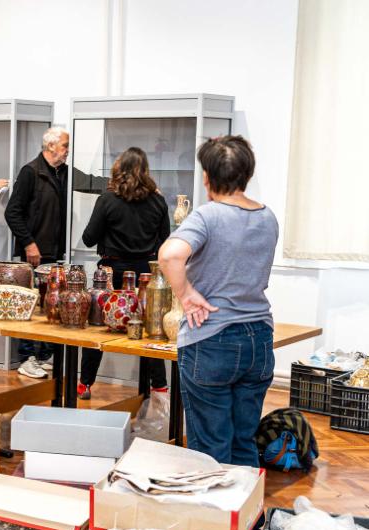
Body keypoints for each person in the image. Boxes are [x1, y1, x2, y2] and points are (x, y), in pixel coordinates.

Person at [158, 135, 278, 468]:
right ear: (247, 174)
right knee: (243, 442)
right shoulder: (267, 216)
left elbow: (169, 255)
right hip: (259, 340)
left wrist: (186, 294)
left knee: (211, 449)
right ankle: (246, 504)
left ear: (207, 177)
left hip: (212, 339)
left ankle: (214, 503)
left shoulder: (207, 216)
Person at [79, 147, 170, 400]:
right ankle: (159, 387)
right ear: (145, 171)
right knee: (151, 328)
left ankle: (85, 384)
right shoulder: (158, 201)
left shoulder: (107, 199)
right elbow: (166, 240)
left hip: (111, 273)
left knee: (97, 327)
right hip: (145, 274)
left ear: (118, 169)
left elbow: (88, 238)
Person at [4, 127, 71, 378]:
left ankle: (44, 355)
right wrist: (29, 244)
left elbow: (90, 181)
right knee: (30, 305)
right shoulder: (30, 172)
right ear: (51, 146)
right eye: (65, 145)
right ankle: (26, 357)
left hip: (55, 254)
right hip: (34, 255)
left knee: (50, 305)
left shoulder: (63, 172)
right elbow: (12, 212)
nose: (67, 150)